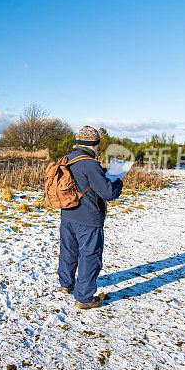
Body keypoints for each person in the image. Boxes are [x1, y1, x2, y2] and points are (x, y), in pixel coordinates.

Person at [58, 126, 122, 309]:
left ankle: (66, 284)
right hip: (88, 219)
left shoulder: (67, 159)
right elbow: (108, 193)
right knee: (90, 256)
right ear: (94, 145)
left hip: (67, 214)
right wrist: (117, 181)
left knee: (68, 250)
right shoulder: (90, 164)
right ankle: (84, 298)